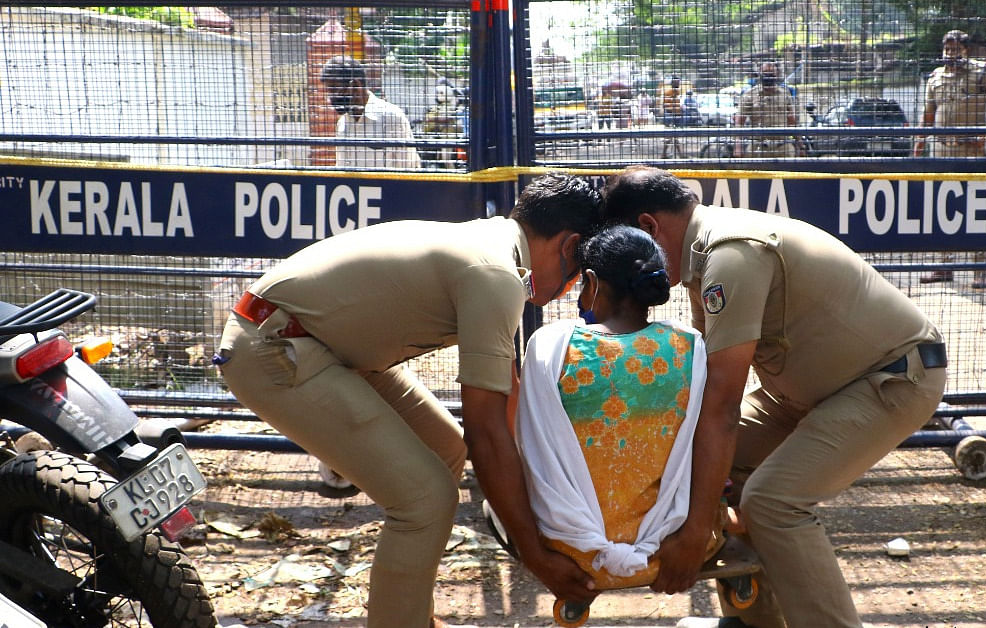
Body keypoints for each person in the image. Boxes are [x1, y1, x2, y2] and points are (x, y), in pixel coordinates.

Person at [214, 173, 602, 628]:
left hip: (319, 342)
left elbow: (507, 392)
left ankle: (411, 615)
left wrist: (548, 484)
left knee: (446, 451)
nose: (572, 287)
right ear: (569, 246)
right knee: (426, 500)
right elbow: (487, 432)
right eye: (578, 275)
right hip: (276, 345)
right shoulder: (495, 272)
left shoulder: (494, 246)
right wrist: (535, 553)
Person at [599, 166, 948, 628]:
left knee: (772, 502)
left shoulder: (730, 255)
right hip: (811, 390)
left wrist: (697, 530)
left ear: (648, 227)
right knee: (686, 458)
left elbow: (721, 407)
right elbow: (704, 389)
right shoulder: (705, 257)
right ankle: (755, 621)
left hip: (890, 379)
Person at [515, 224, 723, 592]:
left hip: (571, 557)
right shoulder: (689, 348)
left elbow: (530, 453)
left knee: (494, 508)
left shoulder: (550, 346)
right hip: (666, 552)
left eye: (582, 286)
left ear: (592, 283)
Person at [914, 30, 986, 288]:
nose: (951, 53)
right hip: (942, 151)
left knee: (975, 209)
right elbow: (928, 114)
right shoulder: (935, 77)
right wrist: (919, 143)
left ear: (966, 50)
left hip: (972, 151)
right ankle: (944, 266)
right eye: (947, 49)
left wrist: (985, 131)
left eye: (956, 48)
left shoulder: (982, 73)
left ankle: (980, 270)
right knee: (942, 207)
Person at [321, 55, 421, 169]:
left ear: (354, 85)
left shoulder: (392, 118)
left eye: (334, 89)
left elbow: (410, 169)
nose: (330, 98)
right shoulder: (343, 123)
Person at [733, 62, 799, 158]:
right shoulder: (750, 95)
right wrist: (738, 147)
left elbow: (792, 121)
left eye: (771, 72)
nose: (768, 75)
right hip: (758, 149)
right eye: (765, 72)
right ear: (760, 74)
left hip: (783, 148)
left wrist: (800, 144)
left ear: (776, 75)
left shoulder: (785, 94)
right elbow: (739, 123)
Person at [661, 76, 687, 158]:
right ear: (672, 83)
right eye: (676, 82)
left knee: (674, 136)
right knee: (670, 136)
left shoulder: (680, 92)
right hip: (670, 115)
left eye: (678, 82)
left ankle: (666, 154)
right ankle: (678, 154)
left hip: (678, 116)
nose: (678, 83)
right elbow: (665, 105)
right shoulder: (668, 92)